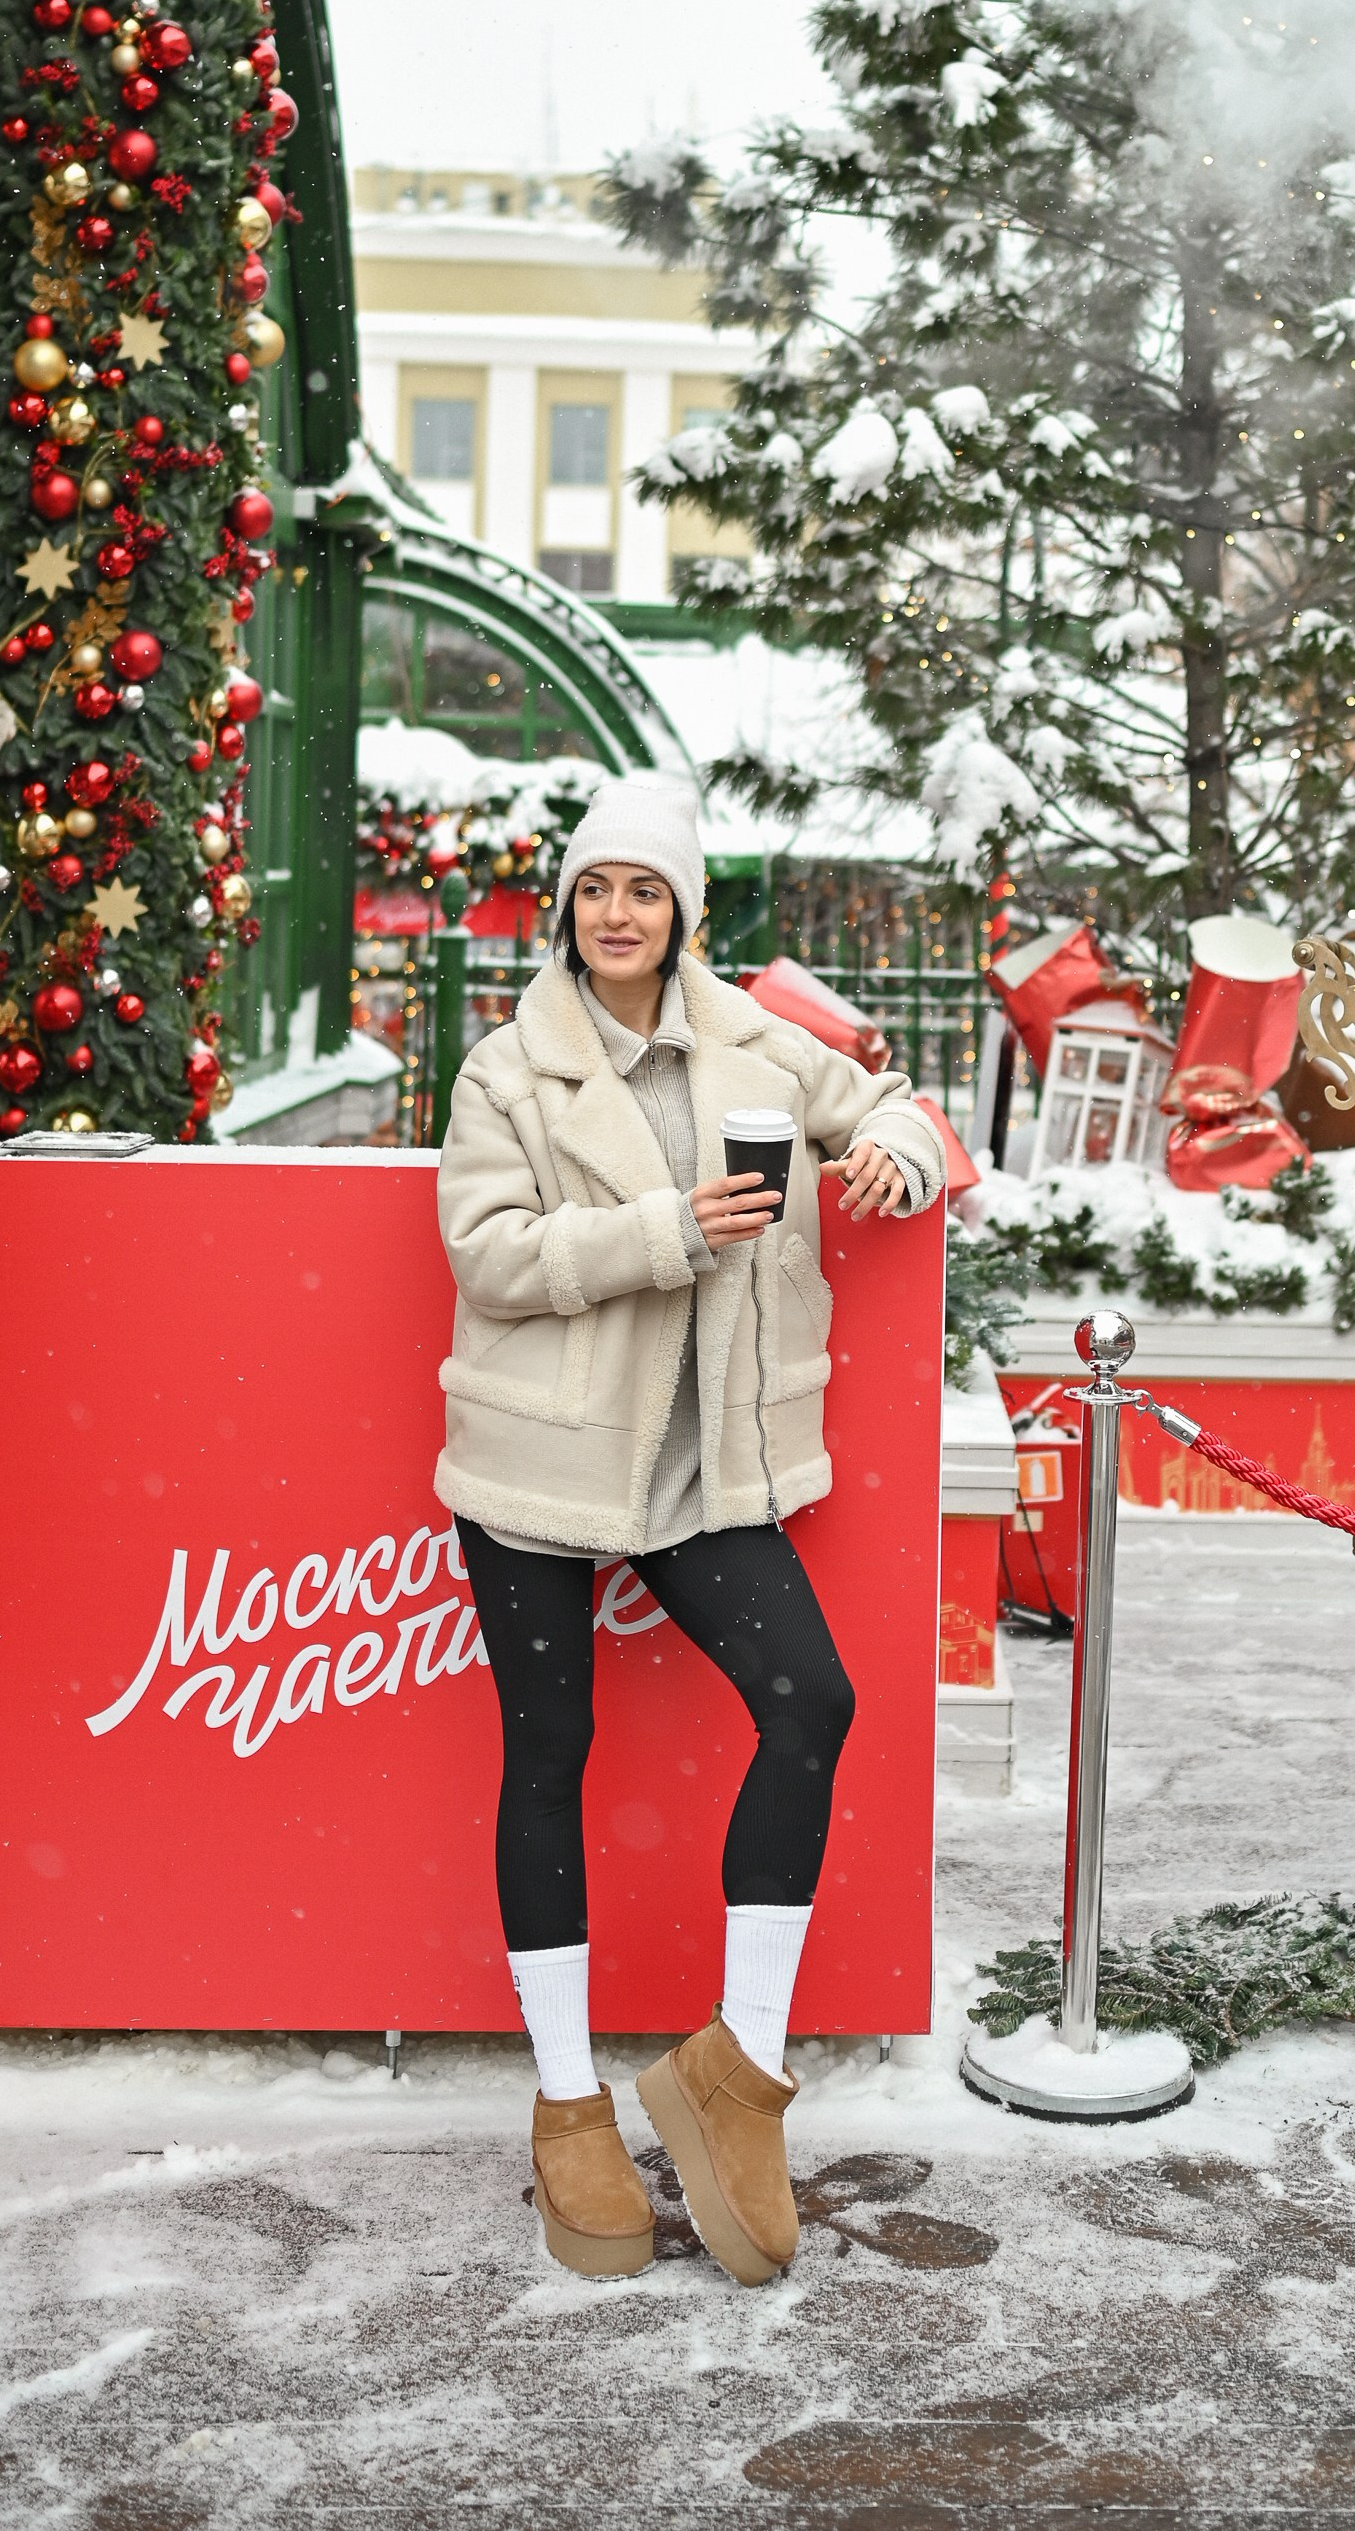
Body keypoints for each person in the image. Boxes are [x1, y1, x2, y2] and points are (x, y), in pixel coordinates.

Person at [433, 772, 943, 2288]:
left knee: (812, 1700)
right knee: (548, 1752)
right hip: (542, 1461)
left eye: (643, 891)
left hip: (701, 1473)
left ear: (684, 911)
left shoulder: (754, 1046)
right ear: (567, 907)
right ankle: (568, 2098)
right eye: (596, 889)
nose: (616, 914)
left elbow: (898, 1108)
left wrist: (893, 1157)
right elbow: (485, 1252)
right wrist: (669, 1234)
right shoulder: (505, 1070)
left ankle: (737, 2073)